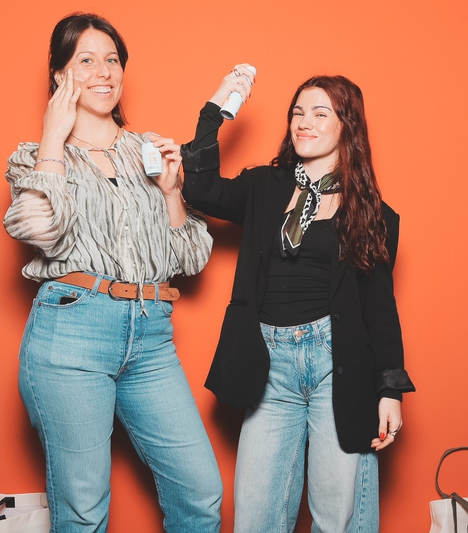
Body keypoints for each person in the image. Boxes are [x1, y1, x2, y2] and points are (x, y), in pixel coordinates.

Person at [2, 13, 222, 533]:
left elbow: (191, 259)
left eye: (112, 60)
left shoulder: (149, 151)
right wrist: (53, 137)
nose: (103, 72)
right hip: (71, 334)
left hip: (151, 335)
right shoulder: (33, 158)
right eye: (86, 60)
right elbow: (41, 230)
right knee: (84, 508)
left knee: (200, 492)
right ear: (60, 75)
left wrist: (172, 193)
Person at [180, 68, 415, 532]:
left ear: (347, 126)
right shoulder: (264, 187)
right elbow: (200, 189)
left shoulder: (373, 214)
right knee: (256, 518)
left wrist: (390, 390)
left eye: (320, 113)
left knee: (334, 517)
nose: (304, 122)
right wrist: (214, 111)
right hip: (268, 365)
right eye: (297, 112)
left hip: (335, 362)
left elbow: (380, 310)